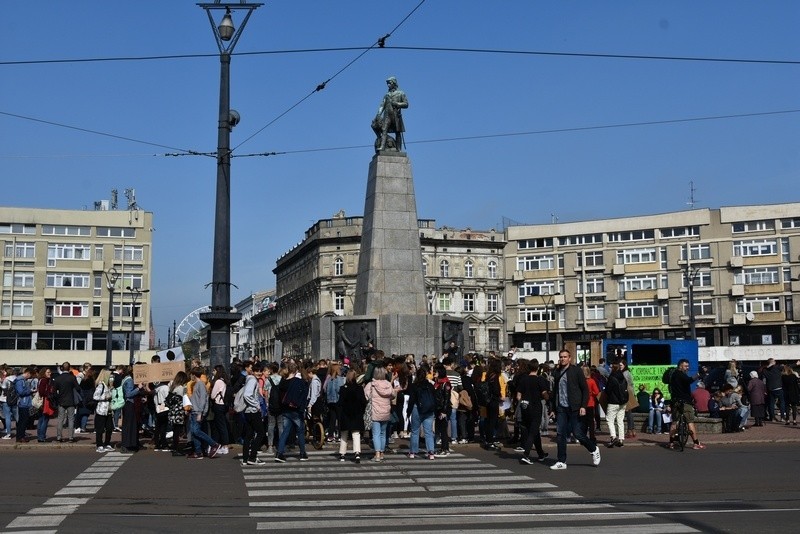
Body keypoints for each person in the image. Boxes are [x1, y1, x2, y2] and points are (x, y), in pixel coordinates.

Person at [549, 349, 601, 470]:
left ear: (570, 358)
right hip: (561, 407)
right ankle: (561, 461)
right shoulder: (557, 372)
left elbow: (585, 390)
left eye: (565, 357)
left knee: (578, 434)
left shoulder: (576, 371)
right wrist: (553, 408)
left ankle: (593, 449)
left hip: (575, 407)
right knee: (560, 434)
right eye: (561, 357)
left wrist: (583, 406)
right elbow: (555, 392)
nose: (563, 359)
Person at [275, 361, 309, 463]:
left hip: (285, 409)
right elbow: (303, 396)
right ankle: (302, 453)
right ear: (295, 370)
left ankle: (279, 453)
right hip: (295, 410)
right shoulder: (298, 382)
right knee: (300, 431)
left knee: (285, 431)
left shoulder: (282, 382)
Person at [516, 359, 549, 465]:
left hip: (525, 407)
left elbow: (518, 396)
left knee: (534, 431)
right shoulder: (540, 380)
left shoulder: (524, 379)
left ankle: (540, 453)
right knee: (533, 431)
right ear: (538, 368)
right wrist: (548, 398)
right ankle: (526, 454)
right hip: (535, 407)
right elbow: (544, 393)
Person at [667, 358, 706, 450]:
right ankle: (696, 443)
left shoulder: (673, 375)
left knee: (674, 422)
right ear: (680, 365)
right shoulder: (680, 374)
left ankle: (671, 443)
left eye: (688, 366)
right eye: (686, 366)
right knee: (690, 421)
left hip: (675, 401)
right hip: (685, 401)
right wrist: (699, 374)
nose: (687, 368)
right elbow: (689, 380)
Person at [364, 366, 396, 462]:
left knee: (376, 434)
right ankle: (381, 453)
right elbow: (393, 395)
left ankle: (377, 454)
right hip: (385, 411)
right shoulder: (388, 384)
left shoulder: (371, 385)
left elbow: (366, 396)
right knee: (383, 433)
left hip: (375, 412)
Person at [371, 76, 409, 151]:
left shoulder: (400, 93)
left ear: (394, 83)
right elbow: (382, 105)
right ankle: (382, 146)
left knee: (397, 132)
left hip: (396, 115)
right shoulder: (387, 95)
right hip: (387, 115)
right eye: (387, 83)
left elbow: (406, 104)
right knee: (384, 130)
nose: (388, 85)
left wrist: (398, 104)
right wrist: (378, 114)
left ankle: (398, 149)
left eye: (390, 83)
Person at [337, 369, 367, 463]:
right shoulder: (359, 388)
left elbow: (340, 403)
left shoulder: (342, 388)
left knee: (344, 434)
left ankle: (342, 454)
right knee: (356, 434)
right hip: (356, 414)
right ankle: (357, 453)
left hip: (345, 414)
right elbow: (363, 402)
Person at [406, 367, 436, 460]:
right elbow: (434, 398)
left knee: (415, 431)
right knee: (429, 432)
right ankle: (431, 452)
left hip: (416, 409)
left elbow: (411, 400)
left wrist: (408, 412)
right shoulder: (430, 386)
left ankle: (412, 452)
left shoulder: (414, 386)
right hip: (429, 410)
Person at [242, 361, 266, 465]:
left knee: (249, 434)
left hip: (248, 411)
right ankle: (252, 457)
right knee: (260, 433)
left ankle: (245, 458)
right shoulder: (252, 380)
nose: (259, 373)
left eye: (261, 371)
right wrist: (256, 405)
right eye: (257, 371)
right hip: (253, 411)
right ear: (253, 371)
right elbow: (247, 395)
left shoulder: (250, 379)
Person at [53, 362, 80, 443]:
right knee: (71, 419)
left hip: (61, 401)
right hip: (70, 401)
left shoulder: (58, 378)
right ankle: (71, 437)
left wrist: (58, 398)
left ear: (62, 368)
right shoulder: (72, 378)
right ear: (69, 368)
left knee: (60, 419)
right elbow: (78, 388)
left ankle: (59, 437)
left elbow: (54, 391)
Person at [605, 360, 628, 448]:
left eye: (611, 367)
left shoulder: (612, 377)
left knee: (609, 420)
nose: (610, 368)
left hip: (613, 402)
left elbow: (608, 390)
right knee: (620, 420)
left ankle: (613, 437)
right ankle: (621, 440)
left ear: (613, 368)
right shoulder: (623, 377)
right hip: (623, 402)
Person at [432, 364, 453, 457]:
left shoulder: (445, 383)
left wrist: (444, 411)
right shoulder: (437, 383)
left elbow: (447, 398)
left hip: (443, 409)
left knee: (443, 429)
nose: (434, 373)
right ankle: (443, 448)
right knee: (440, 429)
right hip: (438, 408)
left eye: (435, 372)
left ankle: (445, 448)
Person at [209, 365, 230, 452]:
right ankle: (220, 444)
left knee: (221, 425)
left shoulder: (218, 382)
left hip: (218, 404)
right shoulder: (224, 381)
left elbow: (213, 395)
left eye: (214, 370)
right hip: (224, 405)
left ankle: (225, 445)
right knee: (220, 425)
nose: (212, 372)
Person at [92, 369, 114, 452]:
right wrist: (105, 397)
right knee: (100, 429)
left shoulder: (109, 386)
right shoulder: (101, 385)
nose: (112, 378)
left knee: (109, 428)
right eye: (110, 377)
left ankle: (107, 443)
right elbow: (95, 396)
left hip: (108, 410)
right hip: (101, 410)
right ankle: (99, 445)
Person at [36, 368, 56, 443]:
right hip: (45, 402)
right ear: (44, 373)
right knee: (45, 419)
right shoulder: (44, 380)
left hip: (43, 402)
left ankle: (40, 436)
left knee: (41, 419)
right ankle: (41, 437)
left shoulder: (42, 380)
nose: (50, 373)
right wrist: (49, 392)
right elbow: (42, 391)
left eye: (50, 372)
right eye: (48, 372)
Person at [14, 368, 34, 443]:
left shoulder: (22, 380)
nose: (30, 376)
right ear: (27, 373)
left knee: (23, 421)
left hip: (24, 403)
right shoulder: (20, 381)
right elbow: (21, 392)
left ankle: (21, 436)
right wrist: (30, 391)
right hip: (22, 403)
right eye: (30, 374)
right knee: (23, 421)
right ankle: (20, 437)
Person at [763, 358, 786, 422]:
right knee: (782, 402)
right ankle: (782, 417)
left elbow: (762, 370)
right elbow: (787, 366)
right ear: (773, 362)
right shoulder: (777, 367)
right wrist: (796, 363)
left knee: (771, 403)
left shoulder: (765, 370)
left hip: (770, 388)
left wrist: (768, 366)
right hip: (778, 387)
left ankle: (772, 417)